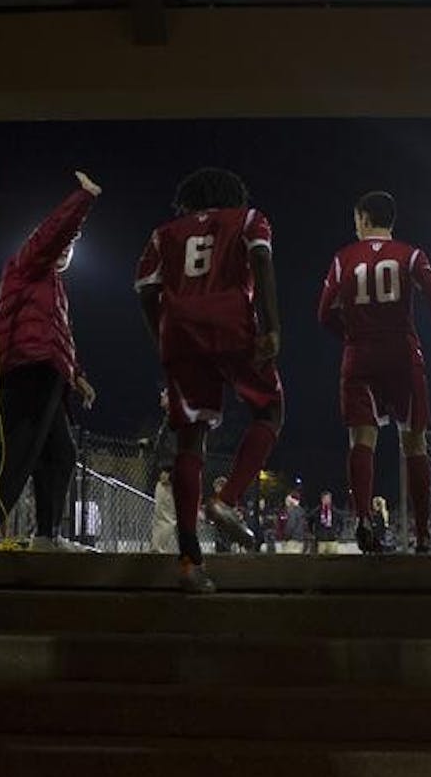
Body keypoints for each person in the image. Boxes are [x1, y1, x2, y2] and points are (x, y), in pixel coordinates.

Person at [134, 167, 282, 593]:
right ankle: (226, 499)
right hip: (232, 321)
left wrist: (160, 335)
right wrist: (272, 325)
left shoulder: (165, 233)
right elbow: (261, 258)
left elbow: (145, 288)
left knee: (189, 440)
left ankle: (187, 560)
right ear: (233, 196)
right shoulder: (249, 219)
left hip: (180, 331)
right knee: (270, 408)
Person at [317, 191, 431, 554]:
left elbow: (323, 313)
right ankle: (423, 534)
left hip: (359, 355)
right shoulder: (410, 255)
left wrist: (350, 335)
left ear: (364, 218)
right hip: (402, 353)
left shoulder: (343, 258)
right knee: (414, 441)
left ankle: (364, 518)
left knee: (361, 440)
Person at [0, 171, 101, 551]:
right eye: (65, 244)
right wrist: (83, 199)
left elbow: (59, 337)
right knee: (19, 450)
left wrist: (78, 377)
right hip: (27, 368)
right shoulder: (26, 265)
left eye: (72, 247)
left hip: (49, 372)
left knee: (60, 454)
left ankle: (46, 536)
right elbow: (52, 235)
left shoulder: (52, 287)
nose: (68, 250)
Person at [149, 466, 175, 553]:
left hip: (167, 478)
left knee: (164, 518)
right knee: (165, 518)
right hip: (168, 478)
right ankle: (158, 546)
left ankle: (158, 546)